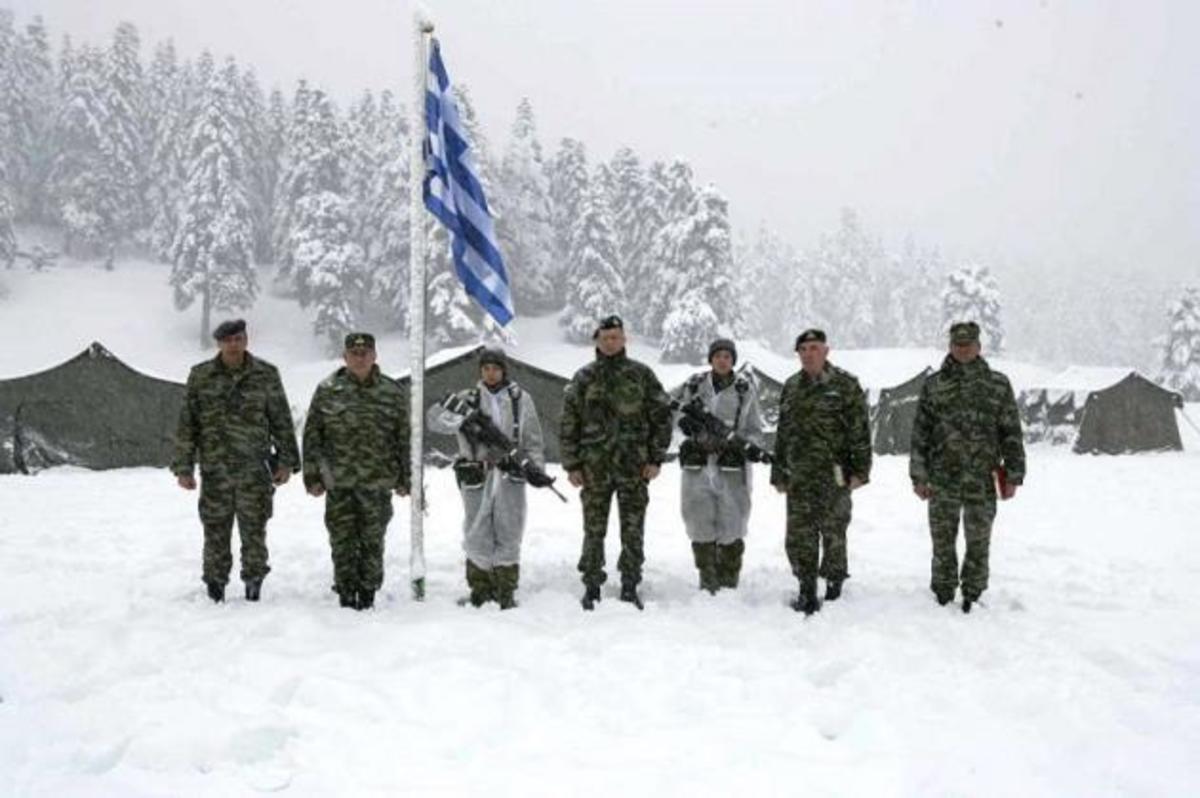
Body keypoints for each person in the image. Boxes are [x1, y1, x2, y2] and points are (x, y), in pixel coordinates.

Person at [173, 318, 299, 603]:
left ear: (246, 340)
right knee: (215, 531)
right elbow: (187, 423)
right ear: (219, 343)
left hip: (254, 471)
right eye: (228, 340)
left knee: (254, 530)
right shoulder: (201, 375)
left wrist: (286, 461)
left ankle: (254, 582)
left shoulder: (265, 374)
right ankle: (215, 585)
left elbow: (280, 420)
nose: (234, 344)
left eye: (239, 339)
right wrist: (184, 466)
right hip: (215, 470)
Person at [909, 321, 1025, 613]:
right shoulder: (934, 385)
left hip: (981, 478)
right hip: (942, 478)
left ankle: (973, 592)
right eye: (957, 344)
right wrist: (918, 475)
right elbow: (920, 433)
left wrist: (1014, 474)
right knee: (942, 541)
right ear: (950, 346)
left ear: (978, 346)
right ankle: (943, 592)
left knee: (978, 541)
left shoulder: (997, 384)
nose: (963, 349)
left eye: (968, 344)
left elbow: (1011, 431)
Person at [560, 315, 673, 611]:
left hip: (633, 469)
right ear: (597, 340)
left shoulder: (642, 375)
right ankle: (592, 584)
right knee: (594, 529)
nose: (611, 342)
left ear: (624, 340)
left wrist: (655, 458)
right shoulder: (583, 378)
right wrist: (572, 464)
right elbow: (569, 422)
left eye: (616, 337)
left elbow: (662, 417)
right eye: (605, 337)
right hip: (593, 469)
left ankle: (630, 584)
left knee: (633, 529)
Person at [426, 347, 546, 609]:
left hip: (510, 473)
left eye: (496, 368)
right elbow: (434, 421)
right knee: (476, 531)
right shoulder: (467, 398)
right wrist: (459, 417)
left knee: (509, 530)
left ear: (504, 370)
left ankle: (505, 590)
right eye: (486, 369)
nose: (491, 374)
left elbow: (533, 439)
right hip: (475, 473)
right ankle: (479, 590)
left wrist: (536, 469)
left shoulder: (520, 399)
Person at [302, 333, 410, 610]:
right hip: (339, 482)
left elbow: (405, 438)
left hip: (377, 482)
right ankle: (346, 592)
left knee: (373, 541)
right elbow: (313, 435)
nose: (360, 358)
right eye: (354, 353)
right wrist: (312, 477)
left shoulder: (392, 392)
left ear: (375, 356)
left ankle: (369, 591)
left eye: (365, 353)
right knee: (342, 540)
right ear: (345, 357)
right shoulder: (328, 390)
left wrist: (406, 478)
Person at [770, 328, 871, 615]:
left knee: (834, 531)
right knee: (799, 534)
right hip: (799, 475)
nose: (808, 354)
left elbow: (860, 431)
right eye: (803, 350)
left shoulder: (845, 385)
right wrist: (779, 472)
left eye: (814, 348)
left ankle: (835, 588)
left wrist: (861, 471)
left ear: (826, 351)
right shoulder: (791, 386)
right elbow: (783, 432)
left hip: (835, 473)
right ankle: (806, 589)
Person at [675, 338, 765, 592]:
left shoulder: (744, 389)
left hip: (731, 468)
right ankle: (707, 576)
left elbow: (756, 431)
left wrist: (739, 447)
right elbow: (675, 420)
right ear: (711, 359)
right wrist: (687, 430)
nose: (722, 360)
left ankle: (729, 578)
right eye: (718, 356)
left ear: (733, 360)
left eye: (727, 356)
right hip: (698, 466)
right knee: (697, 520)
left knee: (733, 522)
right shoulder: (693, 386)